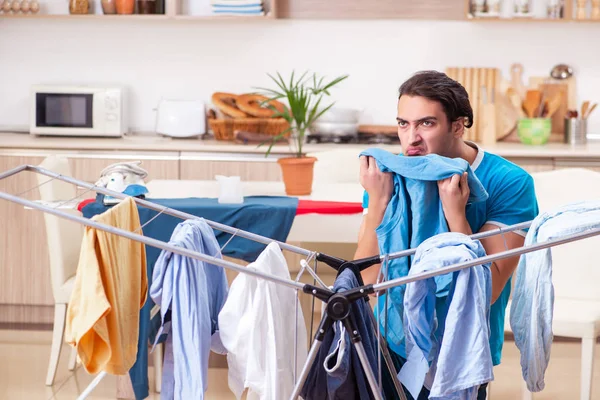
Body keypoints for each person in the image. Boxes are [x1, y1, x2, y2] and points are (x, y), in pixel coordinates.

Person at [355, 70, 539, 399]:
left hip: (461, 345)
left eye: (426, 124)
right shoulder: (387, 177)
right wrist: (379, 201)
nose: (411, 139)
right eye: (403, 124)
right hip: (392, 340)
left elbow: (489, 287)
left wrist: (456, 213)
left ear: (457, 125)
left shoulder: (508, 183)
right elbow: (368, 279)